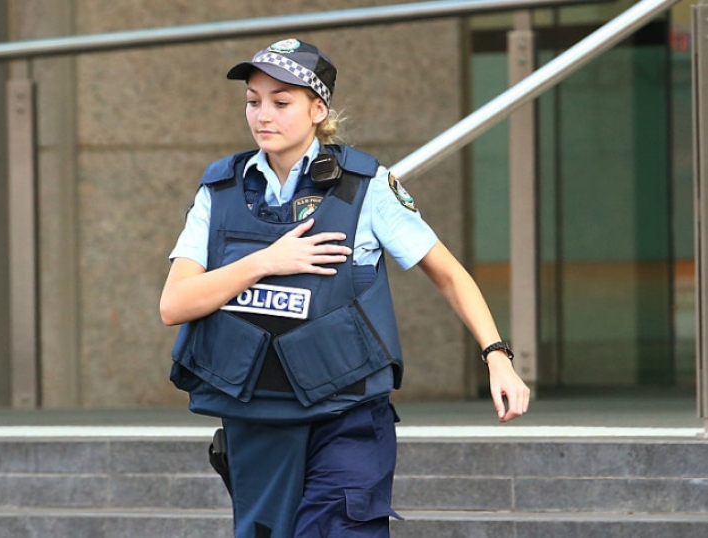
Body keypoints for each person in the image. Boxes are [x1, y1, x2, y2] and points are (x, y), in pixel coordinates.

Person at [160, 38, 530, 538]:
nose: (262, 114)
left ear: (318, 109)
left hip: (347, 415)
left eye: (280, 101)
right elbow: (175, 304)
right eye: (253, 100)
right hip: (257, 419)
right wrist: (266, 261)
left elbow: (447, 272)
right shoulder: (219, 191)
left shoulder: (367, 186)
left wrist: (496, 355)